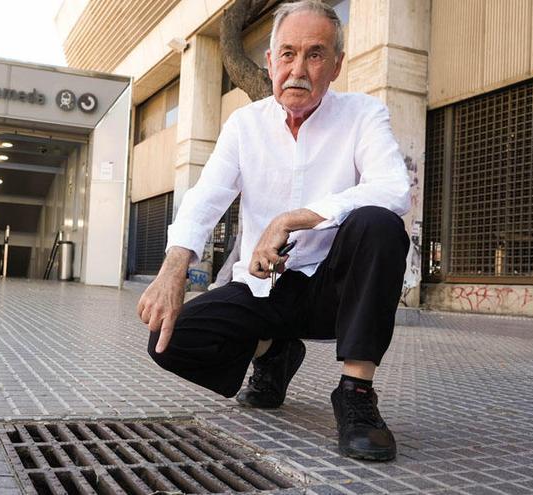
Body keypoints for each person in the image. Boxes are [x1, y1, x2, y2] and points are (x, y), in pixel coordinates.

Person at [137, 0, 411, 462]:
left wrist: (294, 218)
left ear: (337, 64)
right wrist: (173, 268)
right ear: (270, 62)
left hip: (333, 289)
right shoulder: (245, 124)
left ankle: (356, 393)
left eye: (315, 54)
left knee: (379, 223)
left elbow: (393, 189)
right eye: (287, 54)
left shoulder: (364, 114)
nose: (298, 69)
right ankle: (272, 352)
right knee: (169, 340)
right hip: (264, 286)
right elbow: (207, 196)